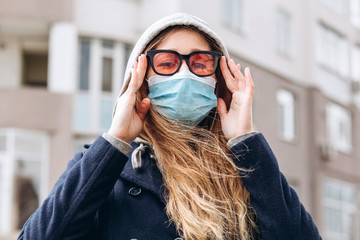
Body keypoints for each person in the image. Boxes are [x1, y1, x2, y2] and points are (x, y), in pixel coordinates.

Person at [18, 13, 322, 240]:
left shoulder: (247, 170)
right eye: (167, 63)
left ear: (218, 80)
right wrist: (117, 139)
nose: (185, 74)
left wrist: (246, 140)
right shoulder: (102, 170)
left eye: (201, 63)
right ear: (140, 78)